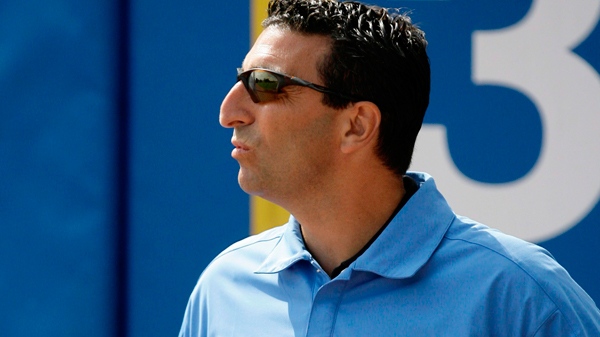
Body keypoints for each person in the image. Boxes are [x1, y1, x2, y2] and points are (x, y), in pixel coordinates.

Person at [179, 0, 600, 335]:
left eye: (265, 84)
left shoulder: (521, 298)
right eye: (240, 80)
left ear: (356, 125)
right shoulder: (223, 288)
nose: (228, 112)